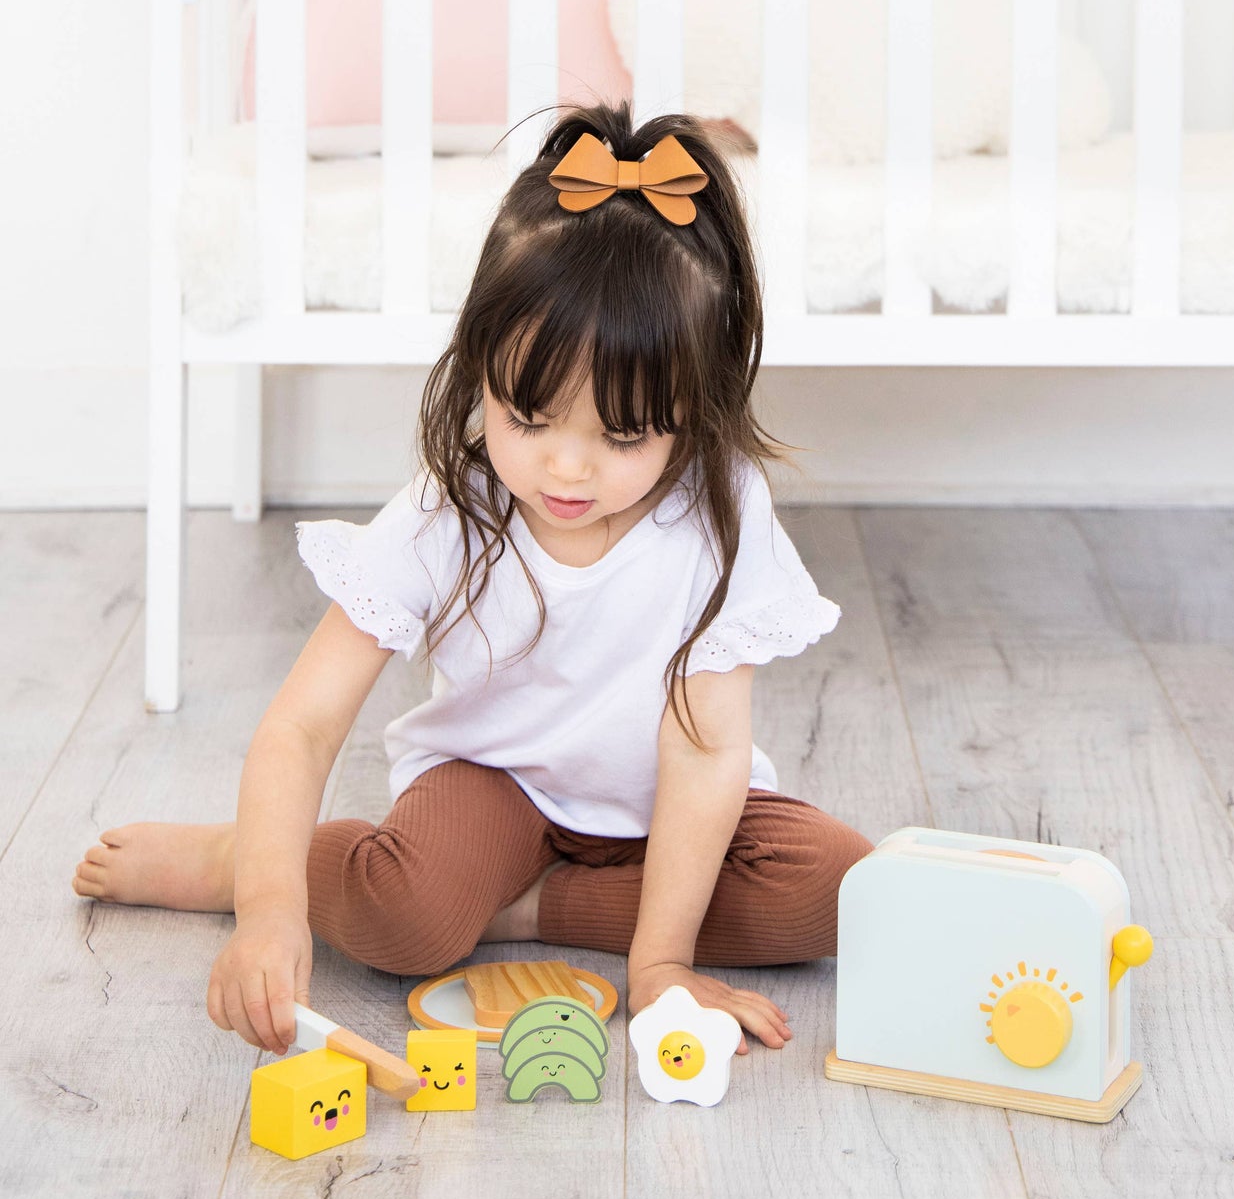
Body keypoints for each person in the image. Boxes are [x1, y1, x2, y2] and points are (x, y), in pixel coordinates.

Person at [73, 102, 873, 1059]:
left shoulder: (718, 511)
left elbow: (705, 756)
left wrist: (661, 965)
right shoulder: (448, 512)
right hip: (492, 790)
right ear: (478, 367)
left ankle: (527, 910)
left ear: (691, 414)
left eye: (621, 438)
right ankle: (238, 858)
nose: (565, 473)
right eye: (528, 418)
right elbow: (303, 723)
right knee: (405, 921)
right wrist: (271, 910)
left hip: (659, 815)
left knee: (839, 890)